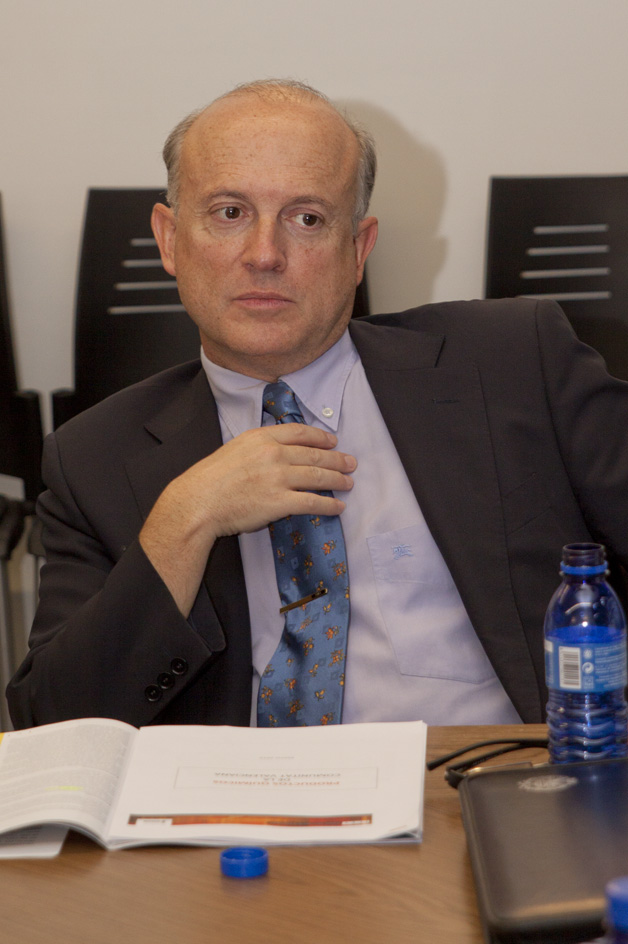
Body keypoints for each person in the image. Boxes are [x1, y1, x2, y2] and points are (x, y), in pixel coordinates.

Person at [8, 79, 628, 730]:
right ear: (169, 240)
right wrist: (185, 521)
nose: (265, 255)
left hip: (492, 775)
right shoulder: (94, 460)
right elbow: (52, 724)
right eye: (229, 212)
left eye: (306, 218)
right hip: (241, 788)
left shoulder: (512, 363)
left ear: (357, 249)